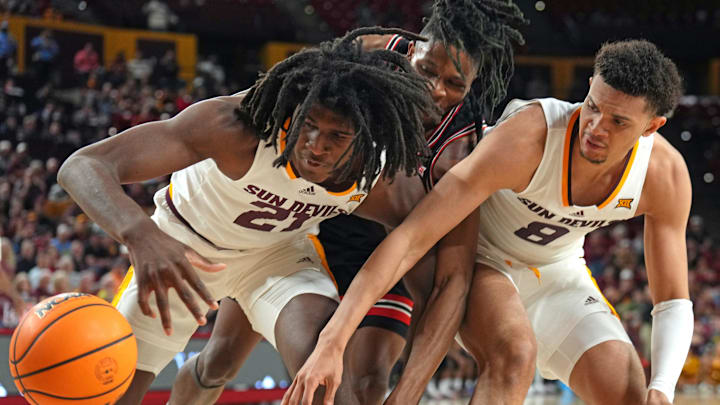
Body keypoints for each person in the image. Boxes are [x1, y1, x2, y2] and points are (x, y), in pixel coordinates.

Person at [289, 39, 691, 405]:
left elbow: (672, 299)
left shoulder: (664, 175)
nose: (596, 128)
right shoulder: (528, 137)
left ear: (651, 127)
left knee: (630, 397)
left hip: (558, 270)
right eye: (592, 106)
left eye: (618, 122)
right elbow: (412, 236)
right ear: (588, 88)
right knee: (515, 354)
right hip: (483, 258)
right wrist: (334, 338)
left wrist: (663, 388)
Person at [167, 2, 526, 404]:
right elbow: (278, 97)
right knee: (221, 360)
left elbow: (450, 282)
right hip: (306, 220)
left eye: (455, 84)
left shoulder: (461, 151)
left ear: (474, 83)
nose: (436, 89)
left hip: (383, 243)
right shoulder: (368, 51)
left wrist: (407, 395)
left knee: (367, 382)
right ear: (411, 52)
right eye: (427, 71)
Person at [57, 27, 436, 405]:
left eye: (336, 137)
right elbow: (83, 165)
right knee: (111, 395)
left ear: (366, 138)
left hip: (276, 257)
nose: (315, 147)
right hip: (181, 248)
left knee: (324, 381)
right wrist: (140, 234)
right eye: (308, 126)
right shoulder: (237, 127)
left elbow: (424, 253)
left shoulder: (378, 175)